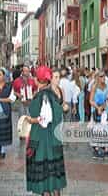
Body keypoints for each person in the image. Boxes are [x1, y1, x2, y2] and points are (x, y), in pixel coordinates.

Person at [26, 66, 67, 196]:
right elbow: (59, 112)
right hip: (54, 138)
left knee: (44, 178)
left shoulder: (41, 96)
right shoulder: (53, 95)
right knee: (54, 176)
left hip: (42, 139)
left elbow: (43, 119)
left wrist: (30, 119)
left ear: (37, 80)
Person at [89, 71, 108, 159]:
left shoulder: (106, 86)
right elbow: (91, 101)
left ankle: (106, 148)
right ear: (97, 77)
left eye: (104, 76)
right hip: (96, 110)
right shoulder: (94, 86)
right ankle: (96, 148)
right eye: (101, 76)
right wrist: (97, 107)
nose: (103, 77)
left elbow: (106, 98)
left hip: (104, 110)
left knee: (106, 129)